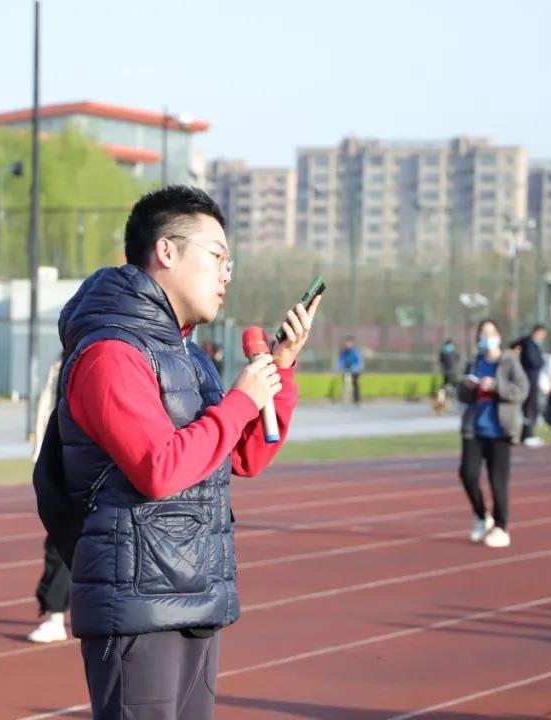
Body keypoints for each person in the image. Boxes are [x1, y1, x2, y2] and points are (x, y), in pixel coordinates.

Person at [51, 186, 319, 718]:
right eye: (217, 257)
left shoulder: (189, 357)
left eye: (229, 263)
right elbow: (158, 468)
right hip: (137, 604)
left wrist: (281, 370)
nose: (226, 274)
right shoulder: (111, 353)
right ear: (166, 251)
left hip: (196, 593)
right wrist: (241, 400)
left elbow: (245, 456)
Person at [457, 319, 529, 549]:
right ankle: (481, 515)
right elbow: (462, 395)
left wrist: (496, 386)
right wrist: (467, 388)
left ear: (498, 335)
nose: (486, 337)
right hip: (474, 428)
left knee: (497, 481)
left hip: (499, 430)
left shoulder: (509, 361)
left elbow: (522, 390)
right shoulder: (474, 362)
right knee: (468, 474)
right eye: (482, 333)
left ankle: (501, 527)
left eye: (490, 332)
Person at [28, 354, 70, 644]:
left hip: (89, 463)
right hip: (62, 460)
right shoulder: (60, 362)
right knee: (59, 539)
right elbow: (49, 408)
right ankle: (55, 616)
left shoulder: (100, 352)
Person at [517, 325, 547, 447]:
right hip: (529, 381)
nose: (543, 337)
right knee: (529, 408)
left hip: (533, 381)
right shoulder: (528, 343)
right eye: (542, 334)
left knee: (533, 408)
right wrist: (541, 361)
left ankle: (527, 434)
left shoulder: (533, 344)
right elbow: (533, 360)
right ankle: (527, 435)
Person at [337, 337, 364, 404]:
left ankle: (357, 399)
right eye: (346, 343)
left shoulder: (355, 352)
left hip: (355, 371)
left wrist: (355, 368)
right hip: (346, 370)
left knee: (355, 383)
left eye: (349, 343)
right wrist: (340, 367)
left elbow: (359, 362)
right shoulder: (344, 352)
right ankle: (345, 397)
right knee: (345, 382)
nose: (347, 345)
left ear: (352, 344)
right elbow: (341, 361)